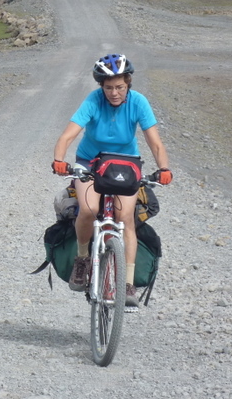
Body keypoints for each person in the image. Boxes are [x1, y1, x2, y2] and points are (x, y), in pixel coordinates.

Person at [52, 53, 172, 309]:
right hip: (90, 163)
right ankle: (83, 259)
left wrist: (164, 168)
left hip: (124, 165)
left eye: (120, 87)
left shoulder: (139, 102)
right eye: (108, 88)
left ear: (128, 83)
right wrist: (59, 160)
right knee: (89, 209)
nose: (114, 93)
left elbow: (154, 141)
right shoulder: (93, 101)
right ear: (101, 87)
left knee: (125, 217)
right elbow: (67, 135)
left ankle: (127, 284)